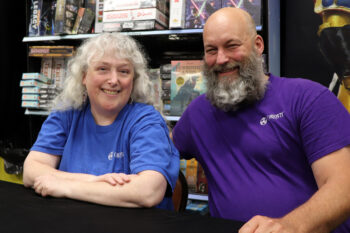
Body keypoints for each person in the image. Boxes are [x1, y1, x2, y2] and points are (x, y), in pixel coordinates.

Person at [172, 7, 350, 233]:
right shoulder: (198, 114)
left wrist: (290, 226)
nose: (221, 59)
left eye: (232, 46)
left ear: (258, 45)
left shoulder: (307, 98)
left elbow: (344, 187)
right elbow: (158, 150)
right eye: (211, 50)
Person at [23, 33, 179, 210]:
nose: (113, 80)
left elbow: (148, 192)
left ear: (133, 81)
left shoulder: (146, 120)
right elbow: (31, 171)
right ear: (84, 76)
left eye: (124, 71)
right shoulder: (66, 112)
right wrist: (94, 180)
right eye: (102, 69)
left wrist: (66, 186)